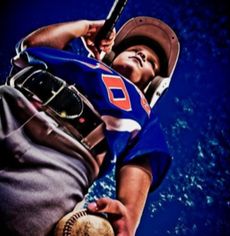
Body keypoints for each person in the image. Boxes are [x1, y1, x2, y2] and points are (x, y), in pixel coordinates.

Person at [0, 16, 179, 236]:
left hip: (61, 164)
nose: (142, 55)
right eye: (135, 48)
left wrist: (127, 216)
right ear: (112, 53)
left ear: (155, 84)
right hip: (8, 105)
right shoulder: (73, 60)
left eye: (152, 62)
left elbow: (140, 164)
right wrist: (85, 28)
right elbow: (30, 46)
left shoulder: (145, 116)